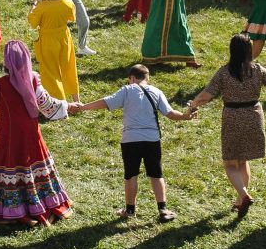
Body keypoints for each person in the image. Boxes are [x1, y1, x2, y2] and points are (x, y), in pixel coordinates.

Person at [0, 40, 73, 225]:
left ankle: (11, 208)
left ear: (6, 62)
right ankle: (41, 203)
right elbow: (48, 106)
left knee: (9, 166)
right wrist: (67, 106)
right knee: (34, 165)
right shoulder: (33, 80)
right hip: (31, 134)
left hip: (9, 136)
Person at [187, 34, 266, 215]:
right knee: (243, 160)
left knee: (230, 163)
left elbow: (207, 95)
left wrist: (193, 105)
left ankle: (244, 195)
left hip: (232, 117)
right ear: (248, 51)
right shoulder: (258, 70)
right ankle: (239, 200)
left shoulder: (224, 72)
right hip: (254, 117)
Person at [70, 63, 193, 221]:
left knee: (131, 175)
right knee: (156, 174)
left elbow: (106, 102)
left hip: (130, 140)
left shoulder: (127, 89)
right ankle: (163, 209)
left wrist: (83, 107)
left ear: (132, 78)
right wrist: (186, 115)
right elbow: (170, 113)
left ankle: (129, 210)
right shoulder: (156, 91)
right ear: (147, 78)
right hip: (152, 139)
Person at [27, 0, 79, 101]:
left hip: (48, 40)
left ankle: (60, 104)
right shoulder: (68, 2)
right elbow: (71, 18)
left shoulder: (42, 6)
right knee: (69, 67)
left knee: (51, 72)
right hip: (64, 37)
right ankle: (76, 100)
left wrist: (35, 3)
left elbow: (33, 23)